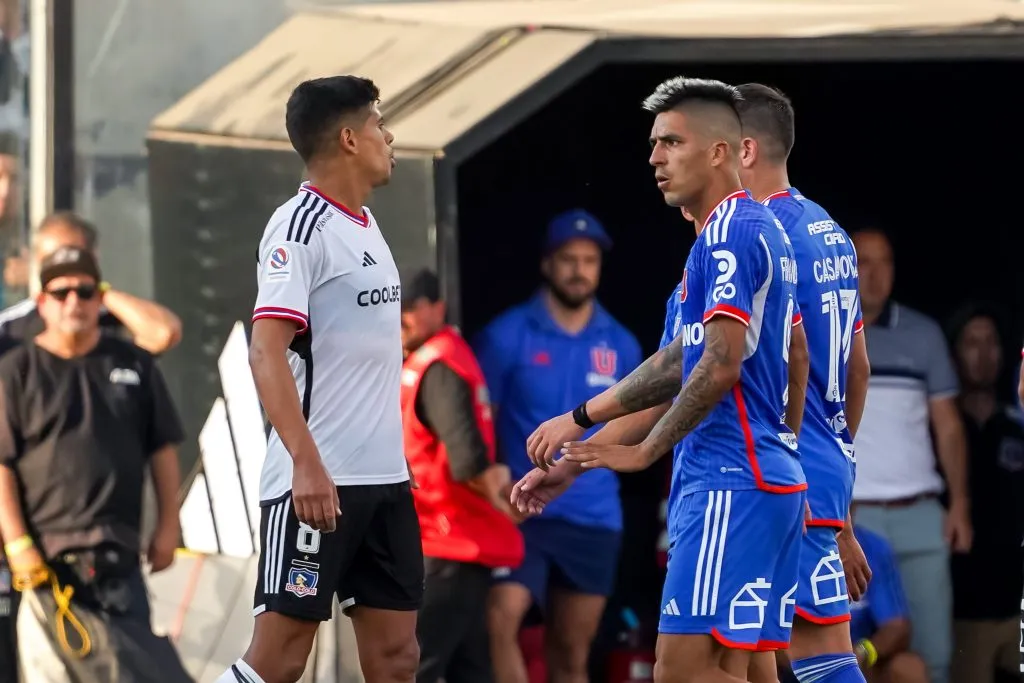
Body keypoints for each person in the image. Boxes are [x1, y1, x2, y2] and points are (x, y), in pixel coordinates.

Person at [514, 76, 808, 683]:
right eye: (653, 144)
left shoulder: (731, 230)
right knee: (746, 668)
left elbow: (717, 365)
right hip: (759, 482)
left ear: (721, 152)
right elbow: (691, 368)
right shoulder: (732, 238)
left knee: (678, 671)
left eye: (672, 142)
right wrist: (575, 454)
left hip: (732, 481)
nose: (654, 158)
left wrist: (640, 448)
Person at [215, 76, 422, 683]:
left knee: (397, 657)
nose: (391, 137)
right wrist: (306, 462)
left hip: (386, 481)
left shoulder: (365, 224)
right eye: (381, 124)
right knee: (279, 660)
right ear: (351, 138)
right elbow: (266, 353)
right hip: (318, 485)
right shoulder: (297, 228)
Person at [735, 83, 873, 683]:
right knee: (760, 652)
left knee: (817, 657)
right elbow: (858, 367)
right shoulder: (830, 230)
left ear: (742, 150)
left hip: (786, 471)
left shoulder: (765, 233)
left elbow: (780, 357)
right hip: (824, 466)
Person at [0, 245, 188, 681]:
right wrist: (17, 543)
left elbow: (163, 448)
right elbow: (2, 464)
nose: (74, 303)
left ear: (101, 298)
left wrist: (167, 527)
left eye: (86, 292)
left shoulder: (133, 362)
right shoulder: (14, 371)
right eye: (61, 292)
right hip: (45, 567)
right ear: (41, 302)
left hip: (119, 560)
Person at [473, 209, 641, 683]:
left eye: (589, 260)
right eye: (568, 259)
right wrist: (490, 488)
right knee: (498, 619)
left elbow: (639, 422)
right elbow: (477, 425)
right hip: (523, 509)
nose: (579, 270)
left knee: (571, 652)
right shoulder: (506, 336)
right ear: (548, 264)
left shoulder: (622, 344)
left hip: (593, 514)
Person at [850, 228, 970, 683]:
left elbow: (949, 425)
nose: (874, 274)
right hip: (851, 519)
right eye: (863, 261)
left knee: (931, 654)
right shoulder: (820, 330)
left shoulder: (924, 334)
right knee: (847, 653)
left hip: (918, 511)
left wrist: (960, 504)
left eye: (885, 262)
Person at [399, 268, 525, 683]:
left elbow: (468, 461)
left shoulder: (438, 365)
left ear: (438, 308)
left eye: (410, 310)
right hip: (456, 543)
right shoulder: (442, 357)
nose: (400, 320)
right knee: (469, 666)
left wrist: (504, 501)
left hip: (447, 542)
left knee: (416, 665)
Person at [945, 306, 1023, 683]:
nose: (983, 353)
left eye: (991, 342)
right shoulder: (939, 429)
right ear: (954, 353)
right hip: (965, 611)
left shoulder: (1016, 425)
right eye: (972, 343)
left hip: (1016, 604)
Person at [0, 211, 183, 355]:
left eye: (73, 261)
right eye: (51, 263)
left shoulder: (112, 319)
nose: (72, 303)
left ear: (93, 259)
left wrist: (100, 291)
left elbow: (163, 333)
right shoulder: (12, 327)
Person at [847, 525, 928, 683]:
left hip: (857, 655)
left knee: (909, 668)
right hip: (803, 655)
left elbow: (897, 627)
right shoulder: (790, 543)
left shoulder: (871, 545)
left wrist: (863, 651)